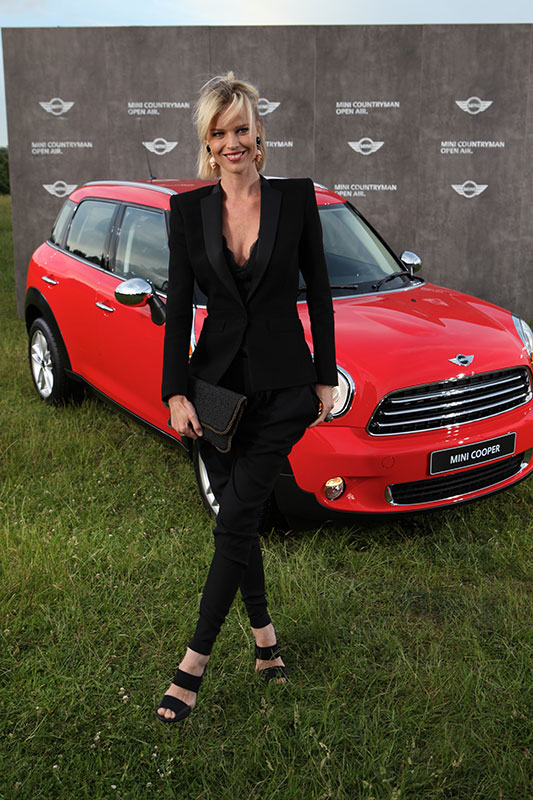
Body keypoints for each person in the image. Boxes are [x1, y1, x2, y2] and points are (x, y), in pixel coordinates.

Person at [156, 72, 337, 723]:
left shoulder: (296, 198)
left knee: (233, 521)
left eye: (241, 128)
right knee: (242, 518)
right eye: (219, 132)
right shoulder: (187, 213)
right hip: (215, 392)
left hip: (284, 390)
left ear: (258, 134)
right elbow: (180, 307)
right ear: (206, 143)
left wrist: (324, 374)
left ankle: (192, 665)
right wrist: (175, 391)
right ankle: (265, 642)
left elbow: (320, 289)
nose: (232, 142)